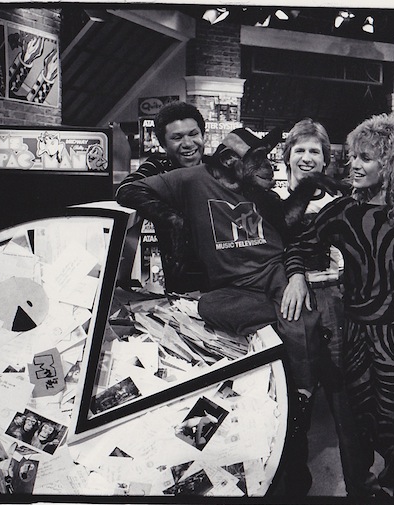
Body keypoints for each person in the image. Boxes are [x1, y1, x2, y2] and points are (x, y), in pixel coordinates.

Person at [116, 126, 340, 495]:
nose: (267, 168)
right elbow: (127, 191)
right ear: (229, 160)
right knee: (212, 307)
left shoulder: (257, 190)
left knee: (294, 315)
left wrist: (307, 188)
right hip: (233, 287)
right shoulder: (191, 179)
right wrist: (173, 219)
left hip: (274, 272)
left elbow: (287, 225)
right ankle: (303, 344)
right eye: (258, 160)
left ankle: (301, 393)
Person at [282, 113, 394, 497]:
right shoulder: (342, 211)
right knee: (362, 418)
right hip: (355, 328)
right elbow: (298, 243)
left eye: (365, 158)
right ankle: (379, 487)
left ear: (391, 162)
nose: (353, 164)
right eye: (352, 156)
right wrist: (296, 275)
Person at [273, 118, 374, 496]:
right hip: (291, 305)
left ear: (325, 158)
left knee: (344, 397)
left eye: (314, 151)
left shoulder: (342, 198)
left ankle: (360, 485)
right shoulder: (273, 200)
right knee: (294, 400)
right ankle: (295, 483)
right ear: (287, 156)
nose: (306, 157)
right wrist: (295, 274)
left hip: (335, 300)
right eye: (299, 150)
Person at [115, 101, 207, 293]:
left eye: (193, 134)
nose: (188, 143)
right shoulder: (158, 166)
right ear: (164, 144)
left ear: (203, 135)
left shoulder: (217, 167)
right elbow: (125, 189)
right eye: (177, 137)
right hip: (182, 287)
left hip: (226, 281)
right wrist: (173, 219)